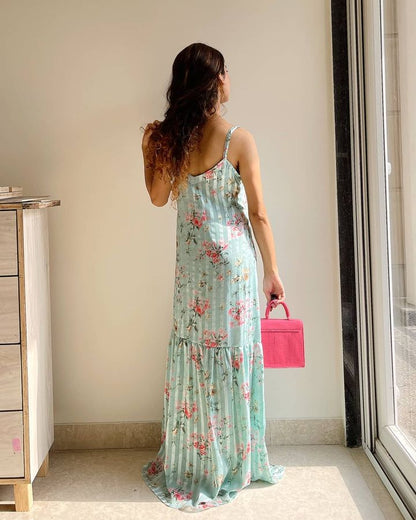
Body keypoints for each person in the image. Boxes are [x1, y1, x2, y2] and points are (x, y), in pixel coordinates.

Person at [140, 42, 286, 512]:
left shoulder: (165, 139)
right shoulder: (238, 139)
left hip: (193, 271)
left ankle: (196, 460)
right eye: (225, 72)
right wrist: (272, 271)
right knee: (233, 359)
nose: (228, 79)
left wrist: (150, 148)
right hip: (233, 270)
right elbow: (259, 214)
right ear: (215, 81)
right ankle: (235, 461)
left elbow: (157, 197)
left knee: (196, 357)